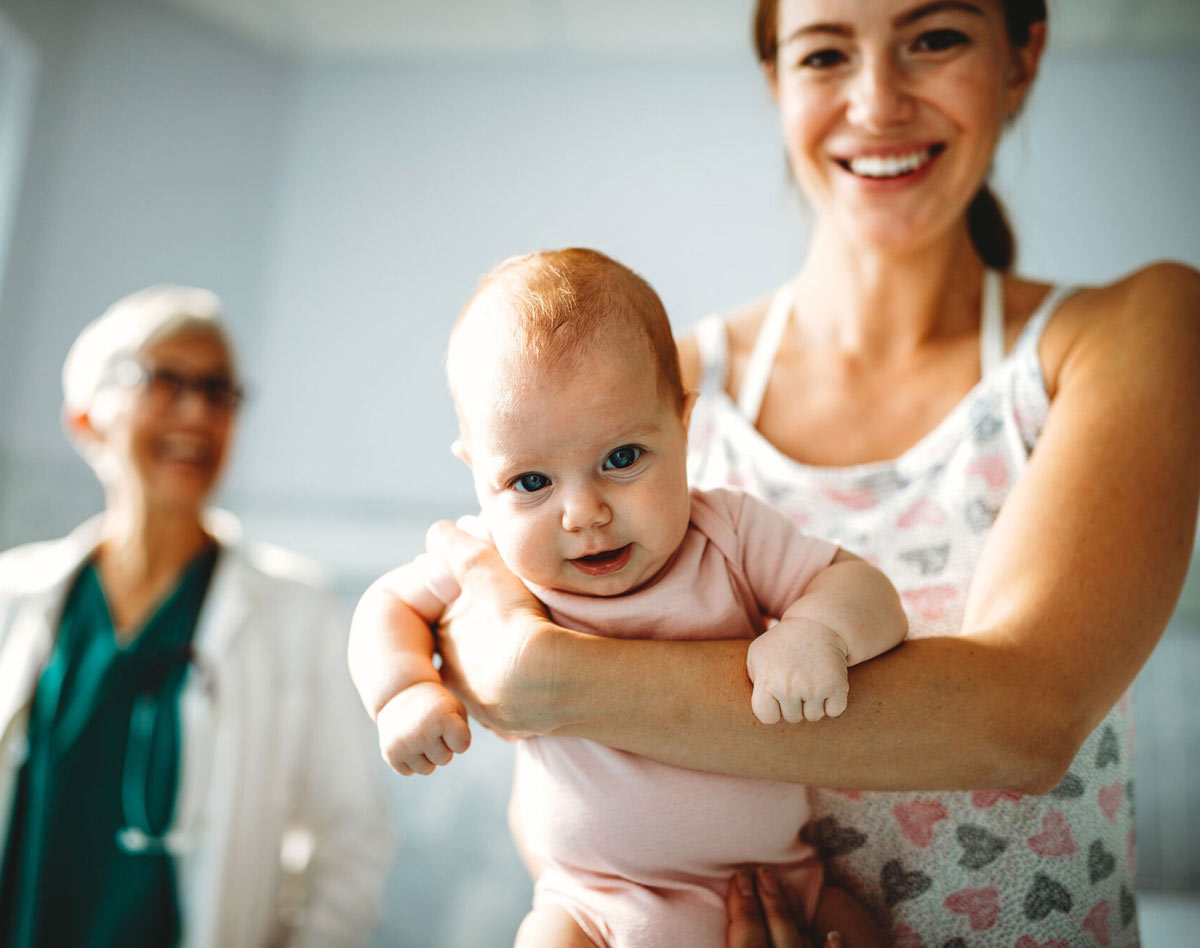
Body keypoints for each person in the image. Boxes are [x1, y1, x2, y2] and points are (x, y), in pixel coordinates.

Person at [362, 0, 1200, 944]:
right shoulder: (626, 393)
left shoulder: (1132, 332)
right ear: (777, 80)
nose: (877, 102)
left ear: (1022, 54)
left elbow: (1027, 721)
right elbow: (516, 712)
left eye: (934, 38)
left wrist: (547, 674)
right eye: (825, 53)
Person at [350, 248, 907, 947]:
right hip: (590, 904)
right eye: (529, 483)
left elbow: (866, 588)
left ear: (682, 424)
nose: (582, 514)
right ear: (476, 471)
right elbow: (386, 605)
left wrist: (819, 631)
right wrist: (402, 691)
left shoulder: (727, 531)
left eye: (621, 459)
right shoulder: (486, 556)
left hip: (779, 883)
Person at [0, 285, 395, 947]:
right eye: (164, 381)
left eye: (219, 391)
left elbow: (352, 842)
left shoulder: (297, 613)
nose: (197, 412)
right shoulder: (15, 593)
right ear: (85, 420)